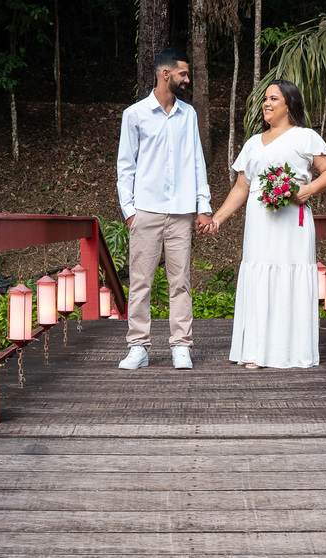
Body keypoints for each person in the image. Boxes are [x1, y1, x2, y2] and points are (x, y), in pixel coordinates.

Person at [207, 80, 326, 369]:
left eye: (273, 98)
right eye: (265, 98)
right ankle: (256, 350)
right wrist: (217, 218)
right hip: (259, 223)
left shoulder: (305, 137)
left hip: (293, 222)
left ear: (289, 104)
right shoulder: (253, 142)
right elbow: (242, 187)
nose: (266, 103)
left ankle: (289, 351)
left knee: (289, 275)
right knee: (259, 274)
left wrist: (308, 190)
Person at [115, 48, 214, 370]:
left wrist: (204, 206)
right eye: (183, 74)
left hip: (182, 212)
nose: (187, 79)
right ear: (165, 74)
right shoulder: (135, 114)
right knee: (141, 281)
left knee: (181, 281)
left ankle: (180, 346)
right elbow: (125, 166)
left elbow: (197, 162)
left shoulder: (189, 114)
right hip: (146, 210)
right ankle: (138, 347)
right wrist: (129, 210)